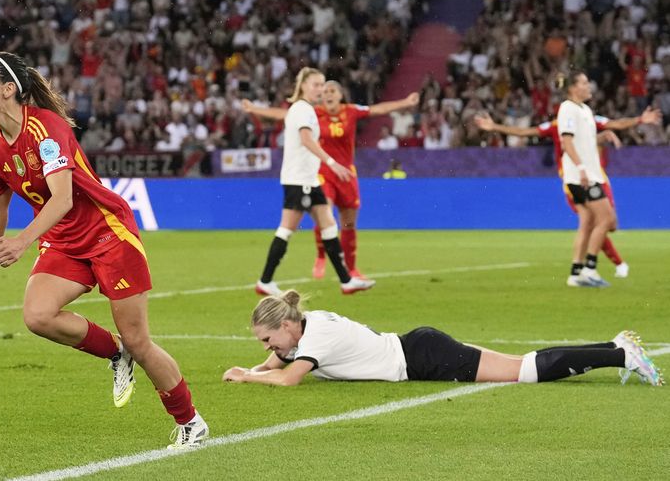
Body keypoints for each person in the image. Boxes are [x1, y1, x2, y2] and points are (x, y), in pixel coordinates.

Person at [0, 52, 208, 449]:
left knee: (140, 340)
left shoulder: (46, 128)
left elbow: (63, 198)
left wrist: (22, 241)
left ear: (8, 89)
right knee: (38, 316)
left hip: (107, 232)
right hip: (63, 240)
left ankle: (190, 422)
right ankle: (116, 354)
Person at [222, 289, 664, 387]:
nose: (268, 348)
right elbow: (280, 361)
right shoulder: (307, 326)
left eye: (266, 339)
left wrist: (247, 377)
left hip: (423, 359)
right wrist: (256, 365)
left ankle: (620, 356)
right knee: (523, 361)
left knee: (524, 372)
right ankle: (613, 346)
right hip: (419, 346)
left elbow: (288, 378)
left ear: (285, 325)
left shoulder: (316, 335)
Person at [243, 81, 419, 279]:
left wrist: (405, 102)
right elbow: (284, 115)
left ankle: (351, 269)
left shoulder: (351, 111)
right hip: (323, 172)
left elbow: (378, 109)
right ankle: (320, 257)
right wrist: (254, 109)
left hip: (346, 173)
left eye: (332, 90)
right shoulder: (313, 113)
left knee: (348, 224)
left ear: (340, 94)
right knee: (324, 213)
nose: (327, 94)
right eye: (324, 91)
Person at [474, 103, 661, 282]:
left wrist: (638, 120)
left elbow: (613, 124)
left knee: (596, 222)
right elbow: (525, 131)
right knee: (600, 221)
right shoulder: (557, 126)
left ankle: (579, 272)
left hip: (595, 175)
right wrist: (494, 127)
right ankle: (601, 267)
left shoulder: (586, 118)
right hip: (575, 177)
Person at [253, 67, 375, 296]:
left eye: (322, 85)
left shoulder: (303, 109)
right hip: (300, 181)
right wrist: (331, 162)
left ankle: (346, 280)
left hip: (307, 180)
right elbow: (306, 139)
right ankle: (265, 280)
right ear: (304, 86)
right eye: (316, 85)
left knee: (329, 224)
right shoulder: (303, 110)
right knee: (287, 229)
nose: (320, 89)